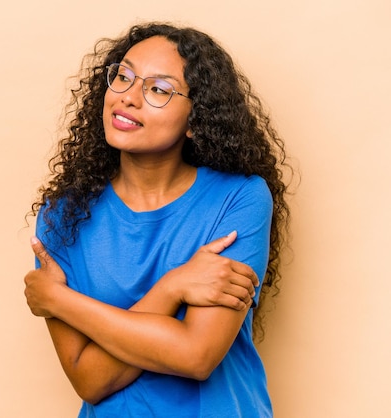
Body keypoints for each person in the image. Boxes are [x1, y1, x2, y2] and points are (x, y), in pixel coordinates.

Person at [23, 22, 291, 418]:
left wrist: (59, 300)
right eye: (124, 76)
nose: (128, 98)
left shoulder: (239, 198)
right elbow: (89, 381)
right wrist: (173, 288)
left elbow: (196, 355)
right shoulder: (64, 216)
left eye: (159, 90)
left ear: (196, 119)